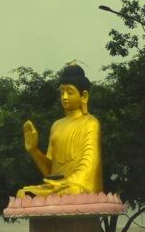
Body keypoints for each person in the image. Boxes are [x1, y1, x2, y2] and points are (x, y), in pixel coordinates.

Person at [17, 63, 103, 198]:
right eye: (62, 92)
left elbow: (89, 167)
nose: (64, 97)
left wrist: (64, 183)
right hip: (59, 188)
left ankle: (58, 192)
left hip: (78, 187)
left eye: (69, 92)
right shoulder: (56, 126)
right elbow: (51, 172)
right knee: (22, 194)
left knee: (74, 191)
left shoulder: (91, 123)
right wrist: (33, 150)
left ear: (84, 96)